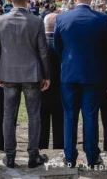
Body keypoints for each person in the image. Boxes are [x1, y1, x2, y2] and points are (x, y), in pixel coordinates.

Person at [0, 0, 50, 169]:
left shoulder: (1, 20)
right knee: (34, 115)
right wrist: (46, 74)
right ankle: (33, 155)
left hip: (9, 73)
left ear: (11, 0)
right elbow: (43, 51)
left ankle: (10, 156)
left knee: (9, 116)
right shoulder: (36, 20)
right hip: (31, 73)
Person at [54, 0, 107, 168]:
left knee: (70, 115)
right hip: (92, 74)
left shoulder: (62, 18)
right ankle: (92, 155)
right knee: (90, 115)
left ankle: (69, 155)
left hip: (70, 73)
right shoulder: (102, 19)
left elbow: (58, 46)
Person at [40, 12, 64, 150]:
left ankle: (41, 149)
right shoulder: (62, 45)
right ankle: (59, 150)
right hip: (60, 90)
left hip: (41, 90)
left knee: (41, 125)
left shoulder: (38, 45)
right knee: (59, 126)